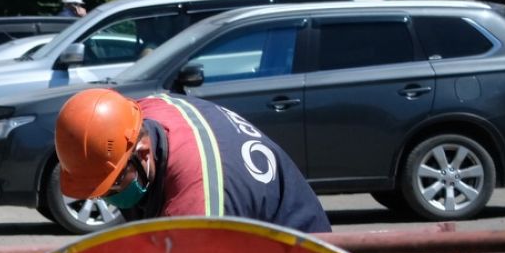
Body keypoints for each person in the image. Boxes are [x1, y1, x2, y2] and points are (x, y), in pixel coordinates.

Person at [54, 87, 331, 233]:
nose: (108, 200)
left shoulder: (196, 201)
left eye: (113, 187)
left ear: (142, 153)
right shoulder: (146, 111)